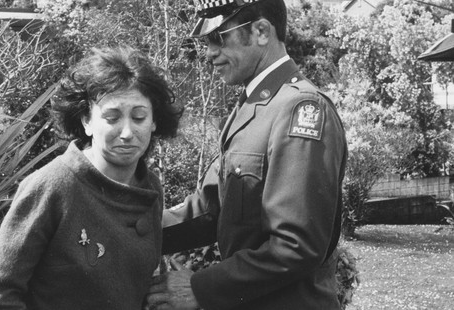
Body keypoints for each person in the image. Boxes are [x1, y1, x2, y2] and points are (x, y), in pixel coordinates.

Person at [146, 0, 348, 309]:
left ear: (262, 31)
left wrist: (200, 288)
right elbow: (213, 207)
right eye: (207, 41)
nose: (210, 52)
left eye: (219, 38)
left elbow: (296, 246)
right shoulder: (254, 106)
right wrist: (135, 229)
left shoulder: (300, 108)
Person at [0, 46, 183, 309]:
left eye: (139, 117)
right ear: (86, 120)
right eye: (112, 118)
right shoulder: (52, 186)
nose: (127, 132)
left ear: (154, 121)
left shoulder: (150, 187)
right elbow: (0, 295)